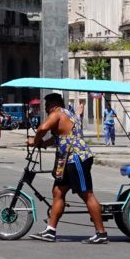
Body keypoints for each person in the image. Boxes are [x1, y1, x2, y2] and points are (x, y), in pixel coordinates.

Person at [28, 92, 108, 244]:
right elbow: (59, 137)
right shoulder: (68, 114)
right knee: (58, 192)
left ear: (53, 104)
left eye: (46, 105)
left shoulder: (57, 113)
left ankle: (101, 233)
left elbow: (42, 128)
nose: (45, 108)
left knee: (87, 194)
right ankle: (50, 231)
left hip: (76, 158)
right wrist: (43, 144)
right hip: (66, 160)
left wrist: (34, 140)